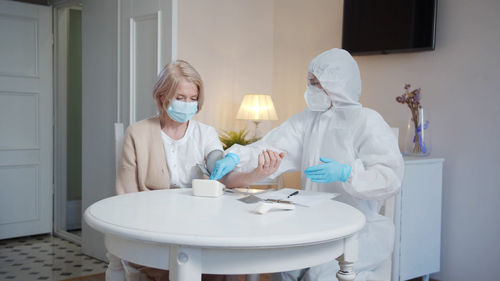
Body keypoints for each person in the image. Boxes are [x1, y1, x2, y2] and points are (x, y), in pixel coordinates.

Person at [211, 48, 404, 281]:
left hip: (360, 227)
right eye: (309, 82)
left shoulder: (367, 121)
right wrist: (237, 157)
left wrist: (348, 174)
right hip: (314, 221)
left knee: (320, 275)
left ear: (338, 84)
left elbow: (390, 177)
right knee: (284, 266)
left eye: (316, 83)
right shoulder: (308, 120)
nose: (309, 89)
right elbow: (272, 147)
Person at [114, 60, 280, 281]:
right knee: (183, 267)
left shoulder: (205, 134)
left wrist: (255, 174)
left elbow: (224, 174)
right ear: (162, 97)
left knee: (221, 264)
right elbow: (126, 198)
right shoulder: (137, 133)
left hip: (199, 229)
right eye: (180, 98)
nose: (188, 104)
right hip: (153, 231)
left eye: (193, 99)